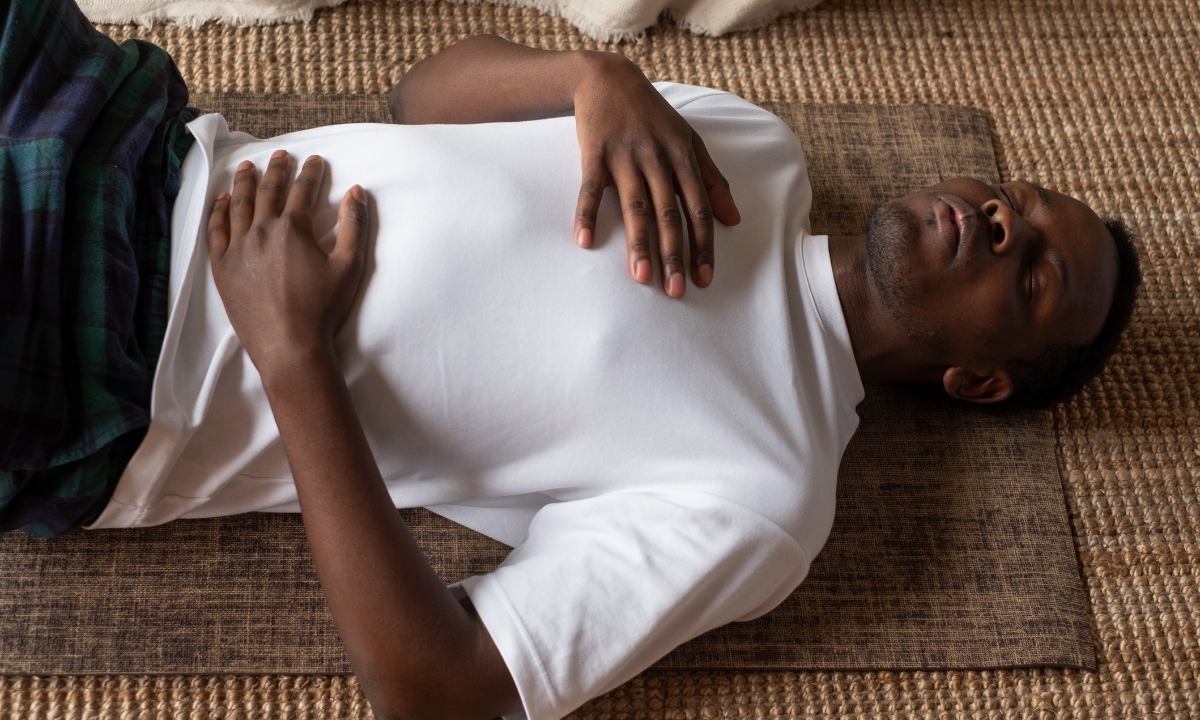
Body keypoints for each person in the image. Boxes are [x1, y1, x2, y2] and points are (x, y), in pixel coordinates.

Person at [0, 2, 1141, 719]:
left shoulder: (767, 493)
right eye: (1019, 199)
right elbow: (415, 98)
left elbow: (437, 689)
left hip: (125, 360)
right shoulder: (758, 148)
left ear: (981, 380)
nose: (1002, 218)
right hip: (136, 134)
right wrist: (596, 82)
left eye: (1033, 269)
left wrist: (291, 350)